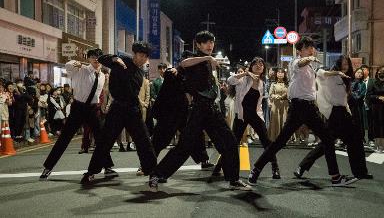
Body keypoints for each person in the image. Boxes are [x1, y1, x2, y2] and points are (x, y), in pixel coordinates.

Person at [148, 31, 251, 192]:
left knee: (230, 141)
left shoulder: (209, 63)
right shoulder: (194, 57)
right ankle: (157, 174)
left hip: (212, 109)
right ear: (198, 44)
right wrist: (207, 58)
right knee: (185, 146)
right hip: (198, 109)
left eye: (212, 42)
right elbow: (183, 64)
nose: (210, 45)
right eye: (206, 42)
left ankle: (234, 180)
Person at [248, 37, 357, 187]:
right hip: (298, 108)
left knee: (327, 139)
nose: (311, 49)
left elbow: (323, 73)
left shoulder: (312, 67)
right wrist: (310, 57)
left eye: (312, 47)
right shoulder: (295, 63)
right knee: (280, 142)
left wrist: (338, 73)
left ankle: (335, 177)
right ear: (299, 51)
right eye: (307, 47)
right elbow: (301, 62)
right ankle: (256, 168)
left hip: (310, 108)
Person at [81, 43, 157, 184]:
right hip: (117, 108)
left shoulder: (140, 73)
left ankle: (152, 172)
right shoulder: (122, 61)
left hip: (133, 110)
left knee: (144, 141)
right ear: (134, 54)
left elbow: (133, 94)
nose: (143, 59)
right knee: (105, 141)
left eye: (146, 57)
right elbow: (102, 59)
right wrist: (115, 59)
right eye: (141, 55)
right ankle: (91, 171)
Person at [39, 48, 114, 180]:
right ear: (89, 58)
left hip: (92, 109)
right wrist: (77, 62)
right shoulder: (81, 70)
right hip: (78, 107)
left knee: (101, 138)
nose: (96, 59)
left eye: (98, 57)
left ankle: (107, 166)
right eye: (93, 57)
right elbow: (68, 65)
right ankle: (48, 167)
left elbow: (99, 94)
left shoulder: (102, 76)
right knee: (65, 138)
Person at [294, 56, 372, 180]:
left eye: (347, 64)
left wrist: (349, 111)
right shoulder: (330, 77)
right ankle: (302, 166)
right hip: (335, 114)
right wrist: (336, 72)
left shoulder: (346, 79)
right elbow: (319, 72)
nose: (345, 66)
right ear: (338, 64)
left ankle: (361, 172)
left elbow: (344, 100)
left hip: (344, 113)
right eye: (343, 63)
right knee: (326, 143)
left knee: (355, 141)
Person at [216, 57, 281, 179]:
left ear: (263, 68)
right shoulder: (244, 79)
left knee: (267, 142)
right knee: (233, 143)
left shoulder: (262, 83)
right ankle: (219, 166)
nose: (258, 65)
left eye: (261, 64)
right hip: (241, 116)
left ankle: (275, 168)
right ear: (251, 66)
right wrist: (245, 73)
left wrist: (261, 117)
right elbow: (230, 80)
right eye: (255, 63)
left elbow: (259, 103)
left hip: (255, 115)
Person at [268, 68, 289, 142]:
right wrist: (275, 96)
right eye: (279, 73)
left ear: (284, 74)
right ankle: (275, 137)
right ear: (276, 74)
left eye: (282, 73)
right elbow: (270, 94)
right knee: (275, 120)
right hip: (276, 104)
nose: (280, 74)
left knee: (284, 120)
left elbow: (290, 93)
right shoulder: (273, 84)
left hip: (285, 104)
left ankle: (284, 138)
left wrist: (284, 95)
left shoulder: (287, 84)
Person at [351, 68, 367, 142]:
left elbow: (362, 95)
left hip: (359, 106)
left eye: (361, 73)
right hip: (350, 106)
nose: (359, 74)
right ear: (354, 73)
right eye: (358, 72)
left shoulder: (363, 84)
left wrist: (354, 96)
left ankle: (361, 137)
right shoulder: (350, 82)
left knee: (360, 122)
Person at [361, 64, 374, 147]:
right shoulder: (358, 81)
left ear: (368, 71)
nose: (363, 71)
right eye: (361, 70)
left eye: (364, 69)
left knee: (371, 123)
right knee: (361, 122)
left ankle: (371, 139)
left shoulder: (373, 81)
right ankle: (362, 139)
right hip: (360, 105)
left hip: (370, 105)